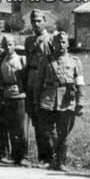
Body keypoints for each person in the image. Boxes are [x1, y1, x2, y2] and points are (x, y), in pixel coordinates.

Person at [33, 31, 85, 172]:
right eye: (57, 42)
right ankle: (51, 159)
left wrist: (80, 103)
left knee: (64, 133)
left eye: (63, 42)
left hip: (67, 101)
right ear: (53, 44)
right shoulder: (45, 61)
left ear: (68, 44)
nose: (61, 45)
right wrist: (36, 102)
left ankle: (61, 162)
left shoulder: (75, 61)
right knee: (48, 132)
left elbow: (80, 83)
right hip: (48, 100)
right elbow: (38, 83)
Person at [23, 10, 54, 166]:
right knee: (35, 120)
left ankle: (50, 156)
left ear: (45, 21)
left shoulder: (51, 39)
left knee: (45, 121)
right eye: (33, 21)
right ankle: (42, 156)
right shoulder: (28, 41)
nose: (36, 24)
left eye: (38, 20)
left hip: (44, 83)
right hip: (31, 81)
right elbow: (27, 63)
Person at [0, 34, 28, 165]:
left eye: (10, 44)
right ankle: (13, 155)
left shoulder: (21, 59)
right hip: (6, 96)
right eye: (5, 45)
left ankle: (22, 155)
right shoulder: (1, 61)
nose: (7, 47)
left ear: (14, 45)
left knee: (20, 128)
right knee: (9, 127)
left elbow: (26, 78)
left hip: (19, 97)